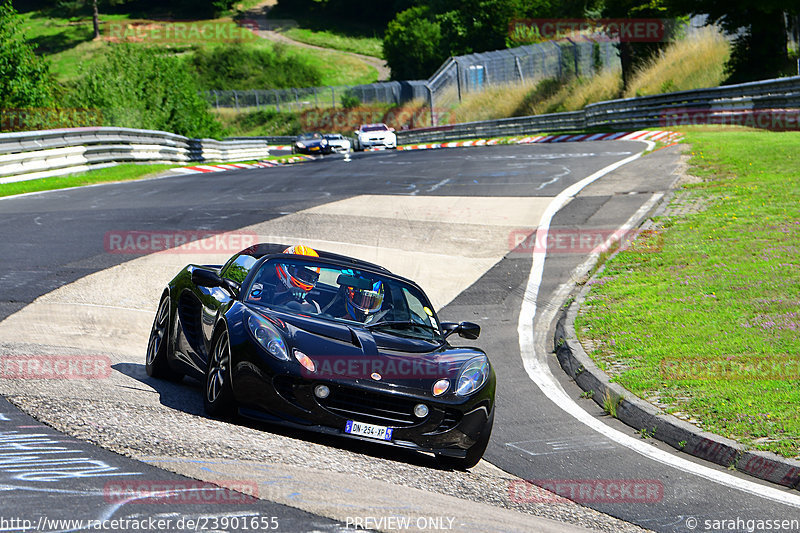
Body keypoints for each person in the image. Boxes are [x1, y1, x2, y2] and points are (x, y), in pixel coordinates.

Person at [272, 245, 322, 313]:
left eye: (309, 278)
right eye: (302, 275)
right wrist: (285, 294)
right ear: (286, 267)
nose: (305, 279)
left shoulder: (314, 305)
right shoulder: (263, 290)